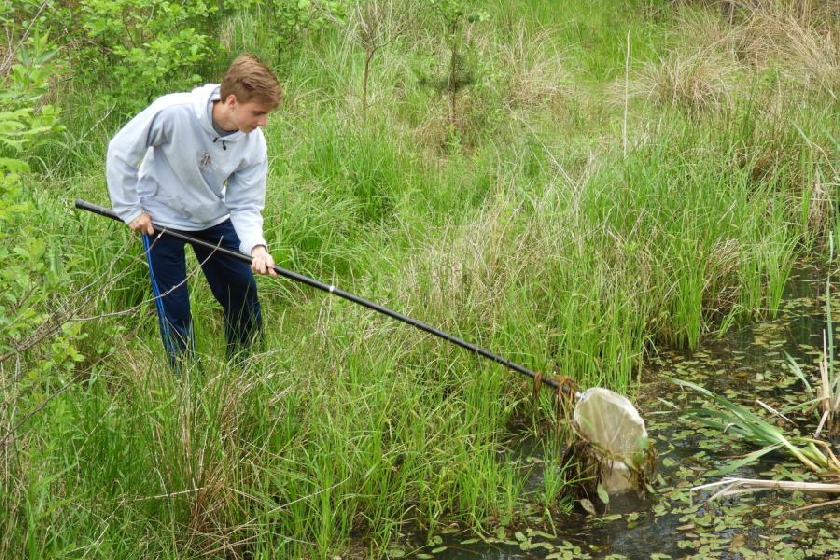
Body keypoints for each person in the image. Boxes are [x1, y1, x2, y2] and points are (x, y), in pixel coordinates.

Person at [106, 54, 282, 369]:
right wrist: (130, 210)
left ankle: (246, 369)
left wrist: (256, 245)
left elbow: (245, 202)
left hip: (212, 218)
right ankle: (188, 385)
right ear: (231, 102)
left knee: (242, 294)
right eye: (258, 113)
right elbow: (121, 150)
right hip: (159, 220)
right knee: (174, 308)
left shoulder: (253, 141)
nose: (263, 122)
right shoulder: (173, 112)